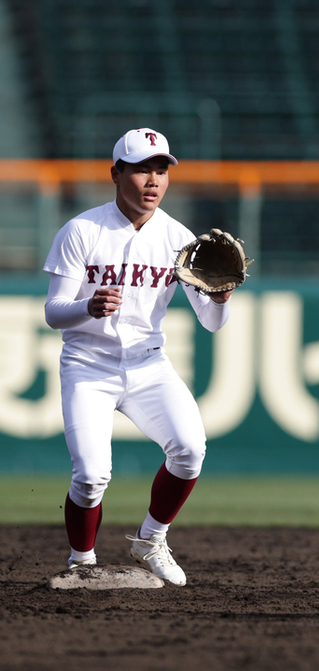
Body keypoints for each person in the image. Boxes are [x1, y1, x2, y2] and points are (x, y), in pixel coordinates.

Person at [43, 128, 237, 586]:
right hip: (88, 365)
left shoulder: (179, 239)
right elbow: (53, 313)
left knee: (190, 450)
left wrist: (222, 299)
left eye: (161, 169)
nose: (153, 180)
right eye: (142, 169)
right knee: (91, 476)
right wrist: (86, 308)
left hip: (148, 364)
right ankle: (81, 562)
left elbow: (210, 322)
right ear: (116, 174)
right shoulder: (82, 230)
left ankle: (151, 539)